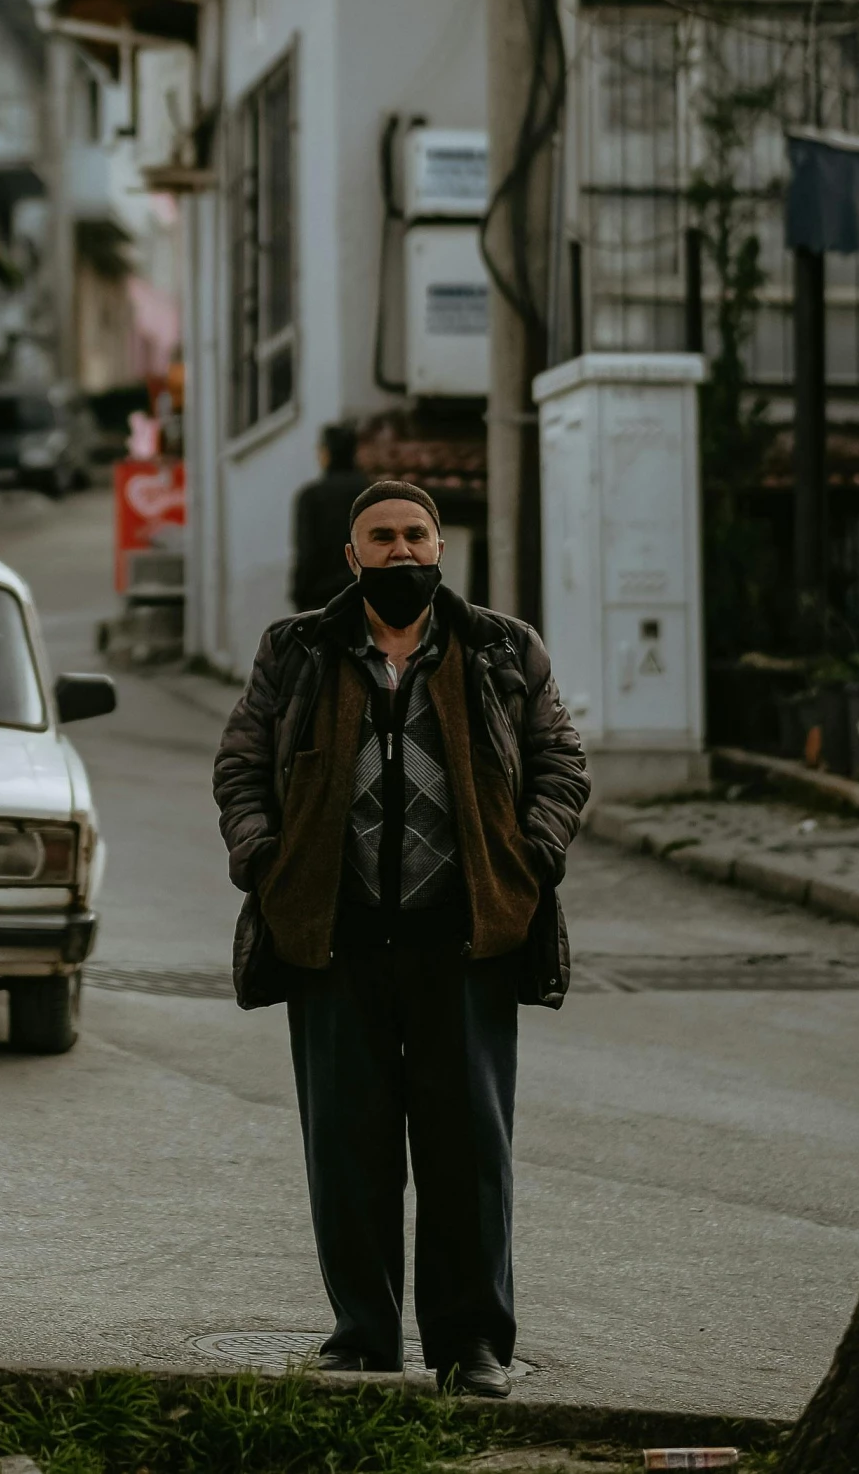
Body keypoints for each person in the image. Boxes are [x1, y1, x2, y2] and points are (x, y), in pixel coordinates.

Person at [214, 479, 590, 1393]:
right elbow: (239, 765)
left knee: (467, 1150)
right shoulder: (298, 648)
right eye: (379, 537)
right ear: (351, 557)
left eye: (414, 535)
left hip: (461, 938)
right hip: (334, 938)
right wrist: (265, 861)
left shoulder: (501, 648)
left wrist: (526, 860)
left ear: (438, 550)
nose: (398, 551)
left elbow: (561, 764)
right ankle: (361, 1335)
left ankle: (471, 1347)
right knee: (348, 1146)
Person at [289, 423, 369, 611]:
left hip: (322, 600)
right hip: (366, 598)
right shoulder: (373, 493)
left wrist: (299, 597)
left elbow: (306, 553)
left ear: (326, 453)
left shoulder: (312, 496)